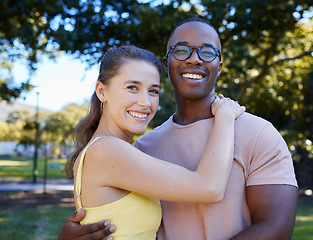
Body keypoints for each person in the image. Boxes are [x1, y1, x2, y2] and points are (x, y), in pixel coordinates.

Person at [59, 18, 298, 240]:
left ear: (219, 65)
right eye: (182, 50)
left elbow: (276, 229)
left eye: (152, 91)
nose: (194, 59)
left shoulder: (258, 132)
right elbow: (208, 188)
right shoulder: (140, 148)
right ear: (167, 64)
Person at [61, 44, 245, 240]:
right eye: (132, 88)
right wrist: (225, 116)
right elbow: (209, 188)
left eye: (153, 91)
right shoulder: (106, 150)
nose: (146, 102)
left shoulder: (104, 149)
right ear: (102, 92)